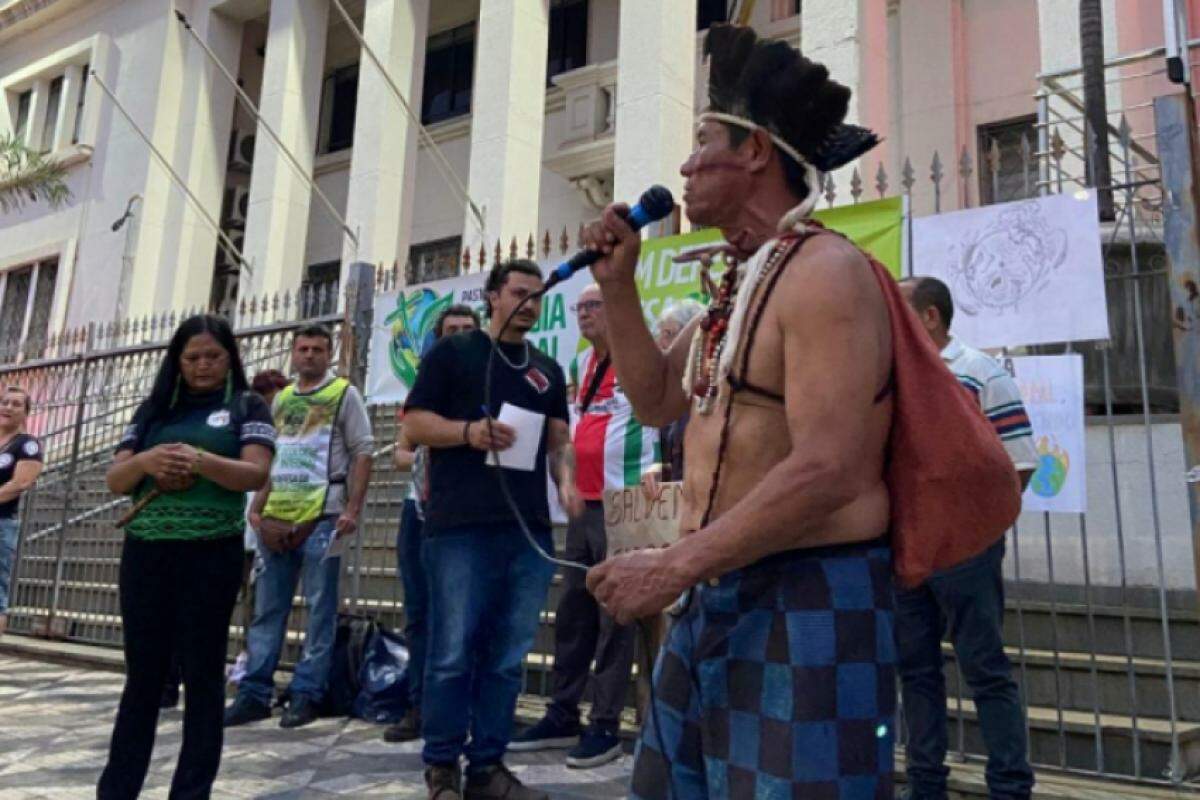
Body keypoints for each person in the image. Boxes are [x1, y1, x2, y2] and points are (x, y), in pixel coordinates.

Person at [582, 24, 897, 797]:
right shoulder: (742, 284)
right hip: (716, 586)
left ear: (754, 151)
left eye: (701, 142)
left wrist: (675, 566)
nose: (683, 167)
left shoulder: (825, 273)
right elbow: (656, 398)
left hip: (811, 592)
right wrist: (619, 286)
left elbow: (829, 469)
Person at [403, 259, 582, 800]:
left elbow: (559, 439)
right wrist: (467, 432)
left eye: (537, 297)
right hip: (460, 527)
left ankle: (487, 766)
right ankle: (441, 766)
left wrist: (568, 485)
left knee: (508, 657)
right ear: (493, 297)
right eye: (520, 294)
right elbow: (412, 425)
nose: (529, 305)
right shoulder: (453, 354)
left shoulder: (547, 369)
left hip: (526, 531)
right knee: (453, 651)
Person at [98, 315, 276, 800]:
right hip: (147, 553)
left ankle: (191, 792)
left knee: (202, 676)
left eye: (213, 356)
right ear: (177, 360)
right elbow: (116, 480)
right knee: (143, 678)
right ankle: (116, 790)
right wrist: (147, 463)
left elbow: (255, 474)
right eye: (192, 357)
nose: (202, 366)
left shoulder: (247, 404)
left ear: (230, 358)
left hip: (210, 554)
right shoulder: (155, 410)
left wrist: (201, 461)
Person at [896, 276, 1037, 800]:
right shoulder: (892, 378)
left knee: (986, 670)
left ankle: (1009, 785)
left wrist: (975, 532)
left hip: (966, 554)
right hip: (909, 550)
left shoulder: (980, 374)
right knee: (916, 672)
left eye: (901, 309)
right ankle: (926, 784)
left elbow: (1017, 466)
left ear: (930, 317)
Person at [511, 284, 659, 768]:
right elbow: (572, 432)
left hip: (627, 503)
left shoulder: (641, 358)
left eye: (596, 305)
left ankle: (606, 723)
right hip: (585, 505)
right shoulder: (580, 365)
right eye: (581, 308)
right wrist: (568, 482)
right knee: (574, 611)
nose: (585, 314)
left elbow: (659, 418)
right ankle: (562, 711)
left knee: (614, 618)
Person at [225, 325, 375, 729]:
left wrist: (353, 509)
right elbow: (274, 455)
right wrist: (256, 507)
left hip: (323, 516)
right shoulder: (283, 400)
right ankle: (255, 691)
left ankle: (307, 692)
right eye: (303, 349)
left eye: (318, 349)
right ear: (292, 354)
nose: (309, 356)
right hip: (278, 515)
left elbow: (363, 452)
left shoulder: (344, 394)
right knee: (267, 609)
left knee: (320, 609)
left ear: (330, 354)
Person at [384, 304, 481, 744]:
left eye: (467, 329)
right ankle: (419, 705)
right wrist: (425, 450)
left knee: (465, 616)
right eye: (450, 330)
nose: (458, 336)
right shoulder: (424, 387)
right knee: (420, 614)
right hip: (419, 512)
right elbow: (400, 451)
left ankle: (464, 708)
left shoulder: (491, 382)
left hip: (467, 513)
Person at [640, 300, 704, 503]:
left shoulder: (715, 392)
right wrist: (662, 470)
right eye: (660, 334)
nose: (661, 343)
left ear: (693, 337)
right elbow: (679, 463)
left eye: (668, 334)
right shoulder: (674, 397)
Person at [0, 385, 44, 637]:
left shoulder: (27, 445)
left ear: (26, 412)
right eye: (5, 402)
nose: (8, 407)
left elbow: (20, 483)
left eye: (16, 404)